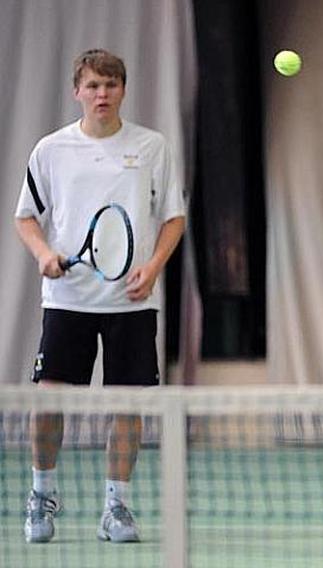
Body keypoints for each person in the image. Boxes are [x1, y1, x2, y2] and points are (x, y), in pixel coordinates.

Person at [14, 49, 186, 544]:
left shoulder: (152, 147)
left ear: (123, 90)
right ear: (77, 91)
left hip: (131, 303)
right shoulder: (51, 150)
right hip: (67, 299)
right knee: (47, 404)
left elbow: (173, 217)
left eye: (111, 85)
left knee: (126, 408)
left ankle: (117, 507)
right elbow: (26, 216)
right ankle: (41, 494)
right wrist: (44, 253)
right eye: (93, 86)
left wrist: (152, 268)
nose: (102, 94)